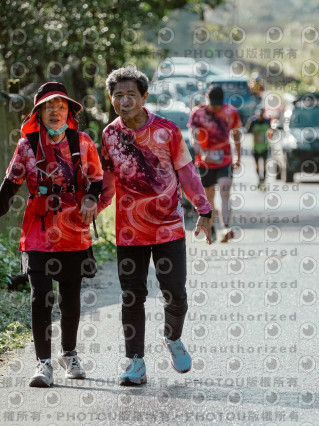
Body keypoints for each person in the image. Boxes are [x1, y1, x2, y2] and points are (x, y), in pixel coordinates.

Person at [0, 82, 104, 387]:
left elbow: (97, 178)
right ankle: (43, 363)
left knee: (70, 297)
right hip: (38, 230)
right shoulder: (27, 146)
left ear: (69, 113)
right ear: (38, 113)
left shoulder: (82, 142)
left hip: (73, 229)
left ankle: (69, 353)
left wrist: (91, 198)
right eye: (48, 107)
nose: (55, 112)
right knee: (40, 296)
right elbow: (10, 186)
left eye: (61, 107)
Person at [99, 67, 212, 386]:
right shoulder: (109, 135)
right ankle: (135, 362)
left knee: (175, 292)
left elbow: (187, 172)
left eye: (130, 95)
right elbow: (108, 181)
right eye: (118, 96)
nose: (124, 101)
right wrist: (93, 207)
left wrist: (204, 209)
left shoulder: (167, 131)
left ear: (144, 97)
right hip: (129, 231)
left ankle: (172, 337)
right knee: (131, 296)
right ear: (110, 99)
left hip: (168, 228)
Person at [188, 84, 242, 243]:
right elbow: (193, 137)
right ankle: (211, 228)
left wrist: (238, 156)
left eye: (218, 105)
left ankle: (226, 228)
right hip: (204, 163)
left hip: (225, 160)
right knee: (209, 197)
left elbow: (236, 135)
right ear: (207, 99)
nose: (216, 108)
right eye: (213, 105)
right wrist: (202, 153)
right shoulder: (198, 113)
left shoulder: (231, 112)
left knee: (225, 191)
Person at [246, 109, 273, 188]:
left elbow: (271, 131)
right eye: (258, 115)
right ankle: (259, 178)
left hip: (265, 147)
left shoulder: (267, 121)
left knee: (264, 164)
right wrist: (254, 132)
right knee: (257, 165)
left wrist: (270, 134)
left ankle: (264, 180)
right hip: (256, 147)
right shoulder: (253, 122)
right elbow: (248, 130)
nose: (260, 117)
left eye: (261, 115)